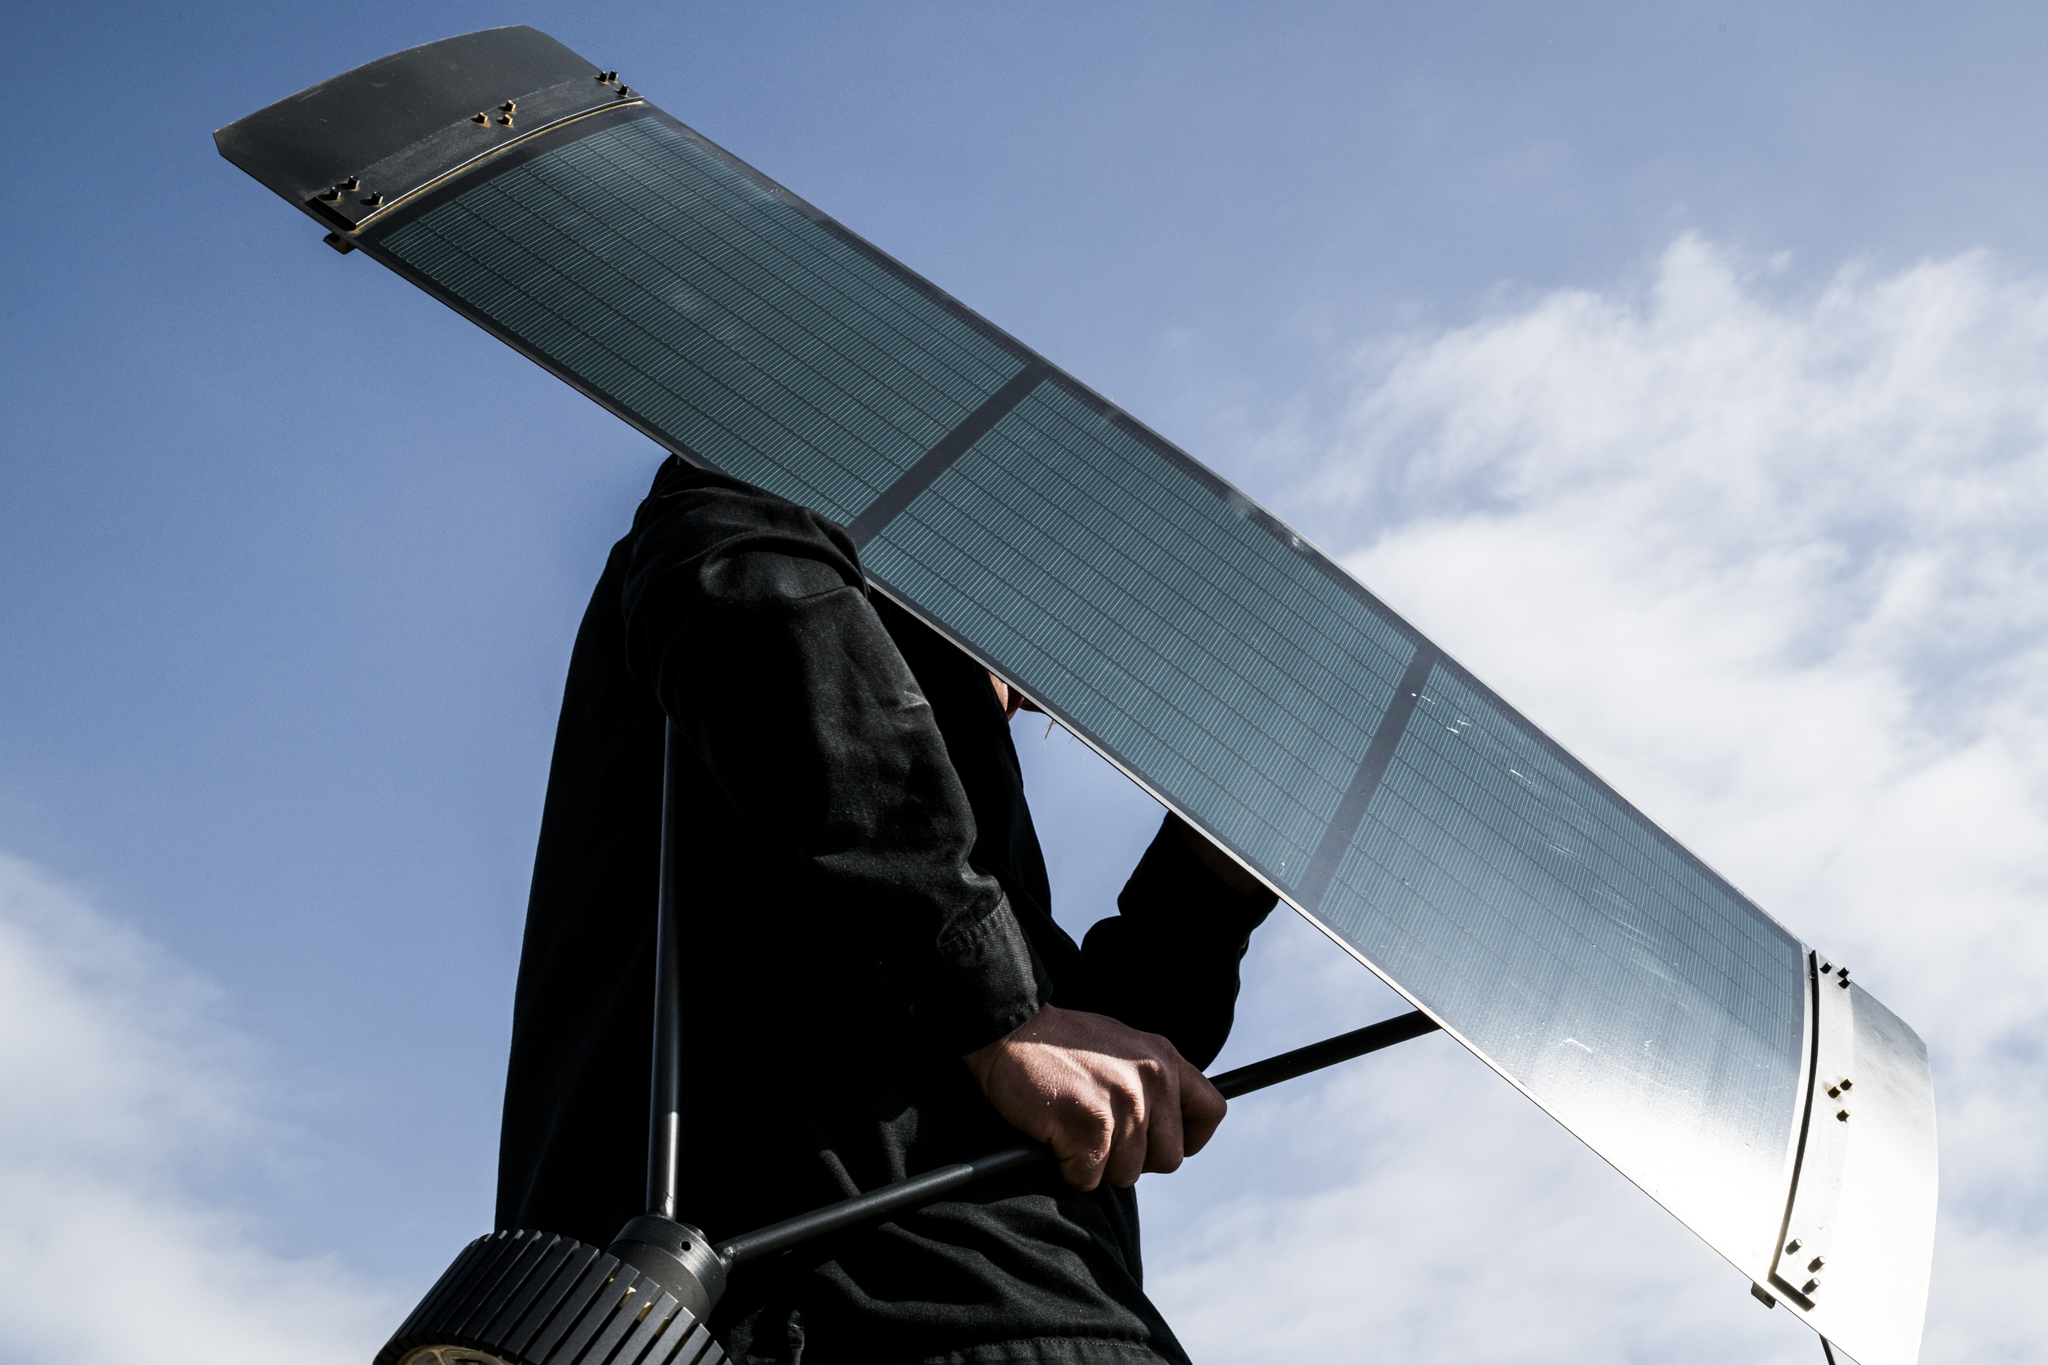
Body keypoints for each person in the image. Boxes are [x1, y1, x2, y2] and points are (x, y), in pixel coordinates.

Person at [497, 454, 1276, 1364]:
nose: (1029, 697)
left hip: (944, 1295)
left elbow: (1070, 1072)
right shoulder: (810, 473)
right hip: (867, 1298)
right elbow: (735, 567)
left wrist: (1214, 879)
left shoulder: (917, 822)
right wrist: (999, 1012)